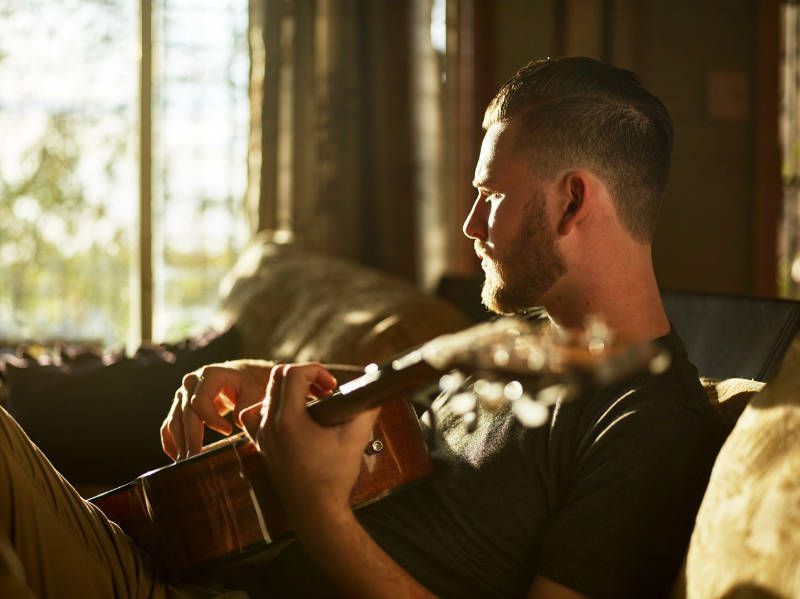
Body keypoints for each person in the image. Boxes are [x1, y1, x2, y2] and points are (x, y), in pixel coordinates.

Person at [0, 57, 723, 598]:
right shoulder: (526, 344)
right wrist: (286, 382)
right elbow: (423, 426)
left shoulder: (649, 425)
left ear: (571, 203)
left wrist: (321, 515)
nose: (469, 226)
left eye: (491, 196)